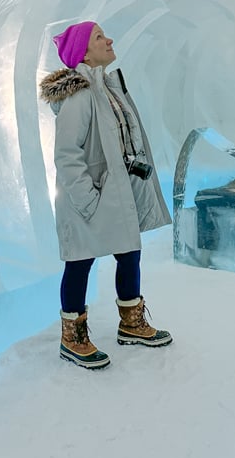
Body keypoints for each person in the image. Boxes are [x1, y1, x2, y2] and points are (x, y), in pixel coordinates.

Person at [39, 21, 172, 369]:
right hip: (89, 199)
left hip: (113, 194)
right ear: (83, 52)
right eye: (100, 37)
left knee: (129, 253)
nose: (109, 39)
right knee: (80, 261)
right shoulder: (80, 96)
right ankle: (73, 337)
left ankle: (132, 323)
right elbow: (67, 155)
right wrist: (90, 200)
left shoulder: (108, 89)